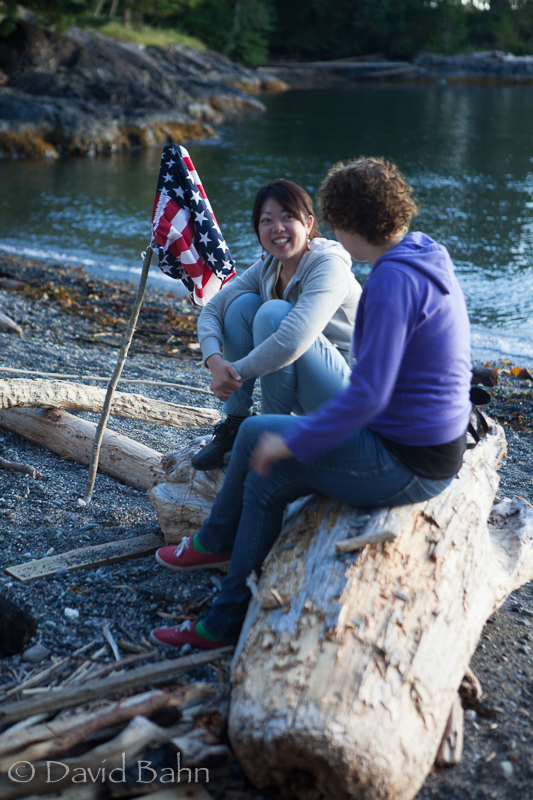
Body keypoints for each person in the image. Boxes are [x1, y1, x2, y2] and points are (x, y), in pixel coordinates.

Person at [151, 156, 472, 651]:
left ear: (342, 223)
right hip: (422, 440)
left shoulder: (388, 282)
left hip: (411, 459)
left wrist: (293, 440)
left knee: (263, 444)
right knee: (263, 461)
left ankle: (221, 602)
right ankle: (225, 591)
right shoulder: (425, 252)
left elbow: (368, 396)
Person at [190, 179, 362, 470]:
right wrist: (215, 362)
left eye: (287, 217)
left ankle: (273, 437)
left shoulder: (327, 265)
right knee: (240, 307)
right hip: (309, 388)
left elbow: (292, 341)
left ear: (308, 223)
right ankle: (235, 424)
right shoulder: (269, 267)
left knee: (273, 313)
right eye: (266, 220)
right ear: (258, 229)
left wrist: (234, 374)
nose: (277, 228)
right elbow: (213, 309)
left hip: (352, 396)